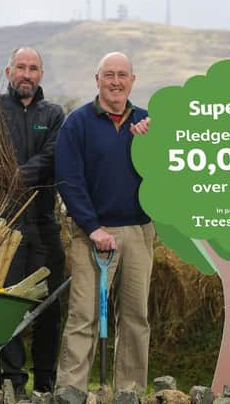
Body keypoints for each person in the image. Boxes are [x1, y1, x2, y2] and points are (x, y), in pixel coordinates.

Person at [54, 52, 154, 393]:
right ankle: (72, 391)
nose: (116, 81)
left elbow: (168, 174)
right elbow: (68, 180)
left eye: (122, 74)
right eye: (109, 74)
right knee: (84, 316)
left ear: (132, 80)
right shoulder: (77, 123)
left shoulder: (146, 122)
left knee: (136, 318)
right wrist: (92, 227)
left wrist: (152, 143)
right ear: (97, 79)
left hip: (140, 232)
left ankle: (129, 392)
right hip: (93, 234)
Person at [0, 47, 65, 395]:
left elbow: (53, 159)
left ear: (41, 75)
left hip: (43, 221)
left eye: (34, 68)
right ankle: (13, 383)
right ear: (9, 71)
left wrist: (13, 174)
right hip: (3, 223)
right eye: (21, 68)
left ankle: (45, 383)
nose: (27, 74)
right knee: (6, 303)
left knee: (49, 306)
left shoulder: (53, 114)